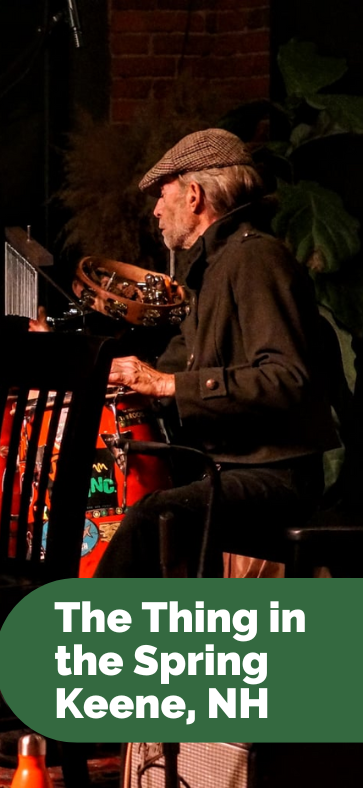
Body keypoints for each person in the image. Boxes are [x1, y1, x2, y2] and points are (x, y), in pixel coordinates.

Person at [94, 128, 338, 578]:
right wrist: (106, 377)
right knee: (148, 500)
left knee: (153, 517)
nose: (156, 210)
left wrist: (166, 384)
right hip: (227, 467)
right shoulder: (212, 272)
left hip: (277, 477)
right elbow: (170, 369)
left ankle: (91, 621)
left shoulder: (256, 258)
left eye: (163, 194)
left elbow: (288, 378)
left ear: (194, 196)